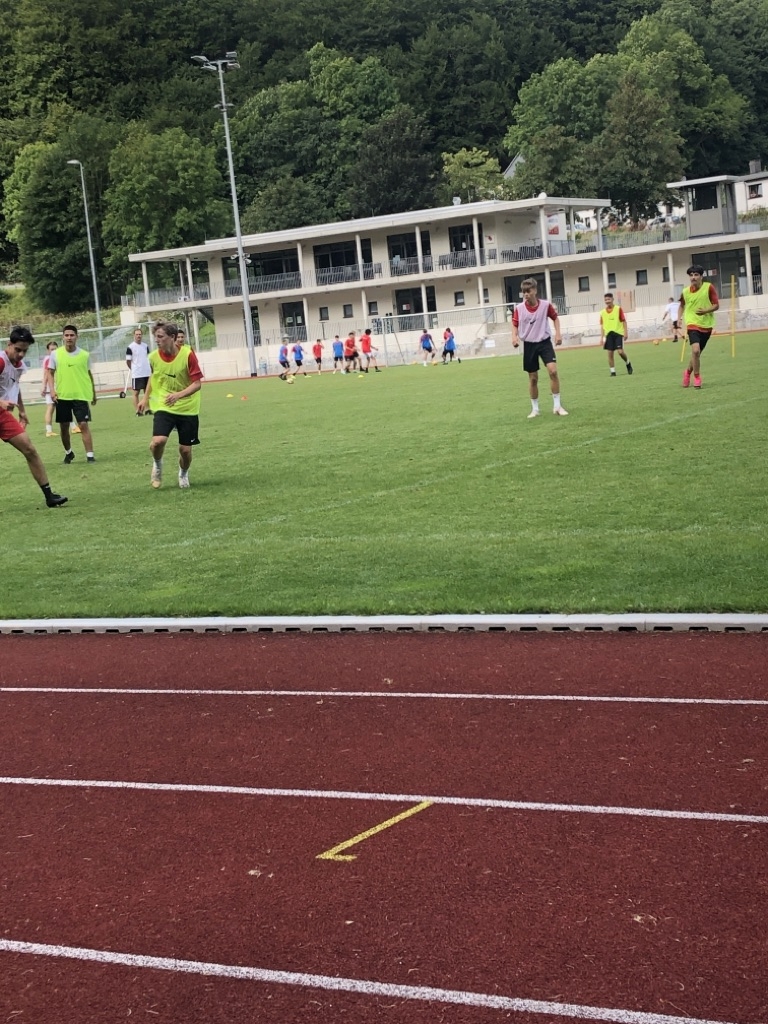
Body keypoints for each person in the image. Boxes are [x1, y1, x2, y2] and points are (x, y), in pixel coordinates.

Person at [1, 327, 67, 507]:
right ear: (9, 344)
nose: (21, 354)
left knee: (30, 449)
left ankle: (49, 496)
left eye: (25, 351)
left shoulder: (19, 366)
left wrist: (22, 410)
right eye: (18, 349)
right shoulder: (1, 361)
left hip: (2, 416)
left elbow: (14, 387)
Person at [138, 321, 203, 489]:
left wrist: (178, 395)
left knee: (185, 451)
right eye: (155, 337)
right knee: (157, 442)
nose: (157, 340)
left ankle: (183, 473)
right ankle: (157, 465)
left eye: (160, 336)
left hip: (188, 407)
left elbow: (197, 384)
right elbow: (154, 377)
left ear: (172, 337)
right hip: (164, 404)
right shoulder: (153, 357)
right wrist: (145, 399)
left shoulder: (187, 354)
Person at [511, 278, 568, 418]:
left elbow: (555, 318)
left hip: (544, 342)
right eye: (524, 291)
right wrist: (514, 337)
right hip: (529, 344)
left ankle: (557, 406)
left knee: (553, 371)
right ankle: (535, 409)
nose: (526, 294)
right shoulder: (519, 309)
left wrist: (558, 334)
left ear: (535, 291)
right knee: (533, 378)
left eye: (528, 291)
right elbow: (515, 324)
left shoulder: (545, 305)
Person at [46, 324, 97, 463]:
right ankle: (68, 453)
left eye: (72, 335)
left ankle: (90, 456)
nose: (69, 338)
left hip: (80, 395)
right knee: (64, 427)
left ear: (77, 337)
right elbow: (50, 373)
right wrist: (52, 390)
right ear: (63, 337)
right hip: (62, 396)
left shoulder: (85, 355)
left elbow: (89, 374)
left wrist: (93, 392)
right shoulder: (55, 354)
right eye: (66, 335)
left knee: (83, 425)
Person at [680, 265, 719, 389]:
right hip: (692, 324)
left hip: (706, 326)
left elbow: (716, 305)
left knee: (696, 354)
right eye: (691, 275)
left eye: (696, 275)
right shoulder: (685, 291)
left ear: (701, 276)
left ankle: (687, 372)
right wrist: (678, 319)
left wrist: (705, 311)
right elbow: (681, 305)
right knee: (695, 350)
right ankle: (697, 377)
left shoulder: (709, 287)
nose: (693, 277)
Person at [599, 293, 633, 377]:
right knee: (610, 353)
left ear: (612, 299)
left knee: (620, 352)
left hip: (618, 333)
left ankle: (628, 363)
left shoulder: (618, 309)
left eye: (609, 299)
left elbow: (624, 321)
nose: (607, 301)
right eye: (605, 300)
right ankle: (613, 372)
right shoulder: (602, 312)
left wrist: (625, 333)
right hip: (608, 335)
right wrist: (601, 337)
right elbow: (602, 326)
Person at [126, 327, 152, 416]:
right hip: (137, 374)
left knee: (147, 392)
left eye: (140, 334)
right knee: (136, 393)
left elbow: (149, 358)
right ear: (134, 335)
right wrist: (134, 369)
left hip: (147, 372)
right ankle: (138, 411)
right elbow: (128, 361)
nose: (138, 336)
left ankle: (148, 409)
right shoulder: (130, 347)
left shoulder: (145, 346)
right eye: (137, 334)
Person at [41, 340, 58, 436]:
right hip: (51, 387)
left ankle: (73, 426)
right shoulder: (49, 359)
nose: (53, 351)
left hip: (53, 386)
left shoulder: (52, 358)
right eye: (52, 349)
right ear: (48, 350)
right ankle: (48, 430)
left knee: (59, 406)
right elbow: (46, 373)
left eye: (55, 349)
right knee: (51, 407)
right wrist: (44, 386)